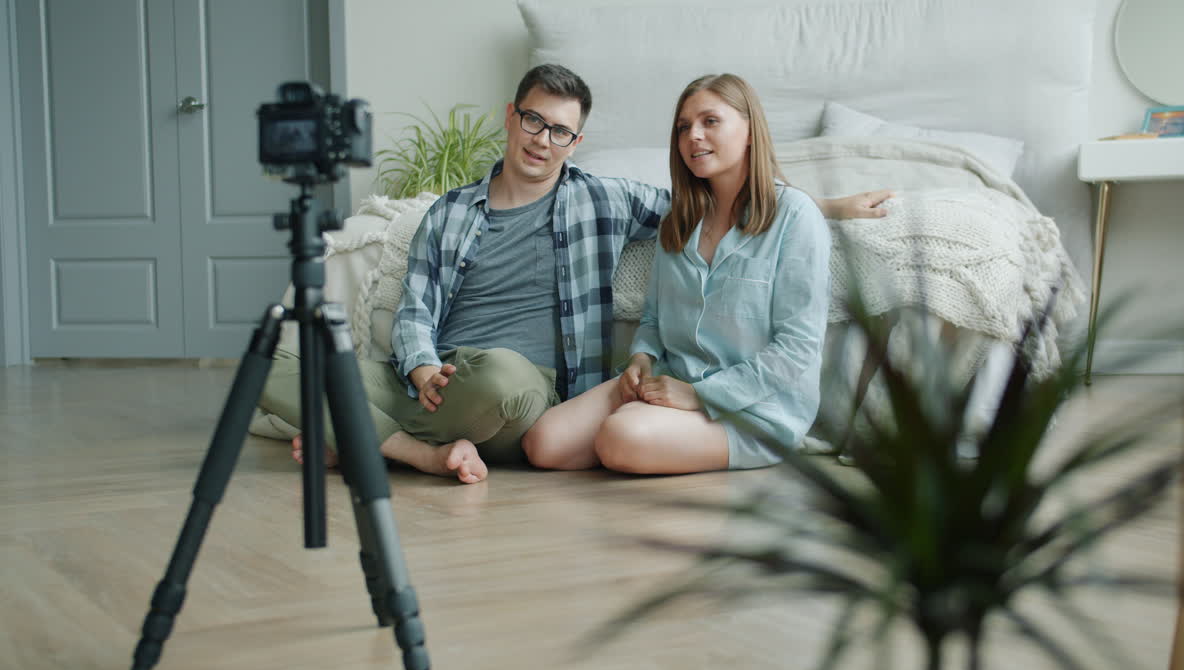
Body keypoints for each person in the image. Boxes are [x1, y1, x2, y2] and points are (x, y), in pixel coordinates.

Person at [258, 64, 891, 483]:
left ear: (576, 142)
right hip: (439, 381)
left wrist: (824, 207)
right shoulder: (448, 212)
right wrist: (421, 365)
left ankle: (355, 433)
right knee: (280, 359)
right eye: (534, 120)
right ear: (512, 116)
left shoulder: (603, 199)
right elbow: (417, 308)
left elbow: (742, 208)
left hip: (511, 384)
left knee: (503, 375)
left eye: (561, 130)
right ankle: (412, 450)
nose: (542, 139)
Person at [520, 73, 830, 473]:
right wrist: (642, 358)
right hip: (668, 381)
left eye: (710, 121)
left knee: (622, 435)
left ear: (751, 130)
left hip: (755, 411)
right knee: (543, 444)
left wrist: (701, 396)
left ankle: (656, 439)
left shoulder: (796, 216)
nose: (693, 136)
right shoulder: (679, 219)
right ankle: (655, 438)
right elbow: (653, 316)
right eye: (684, 127)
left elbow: (797, 347)